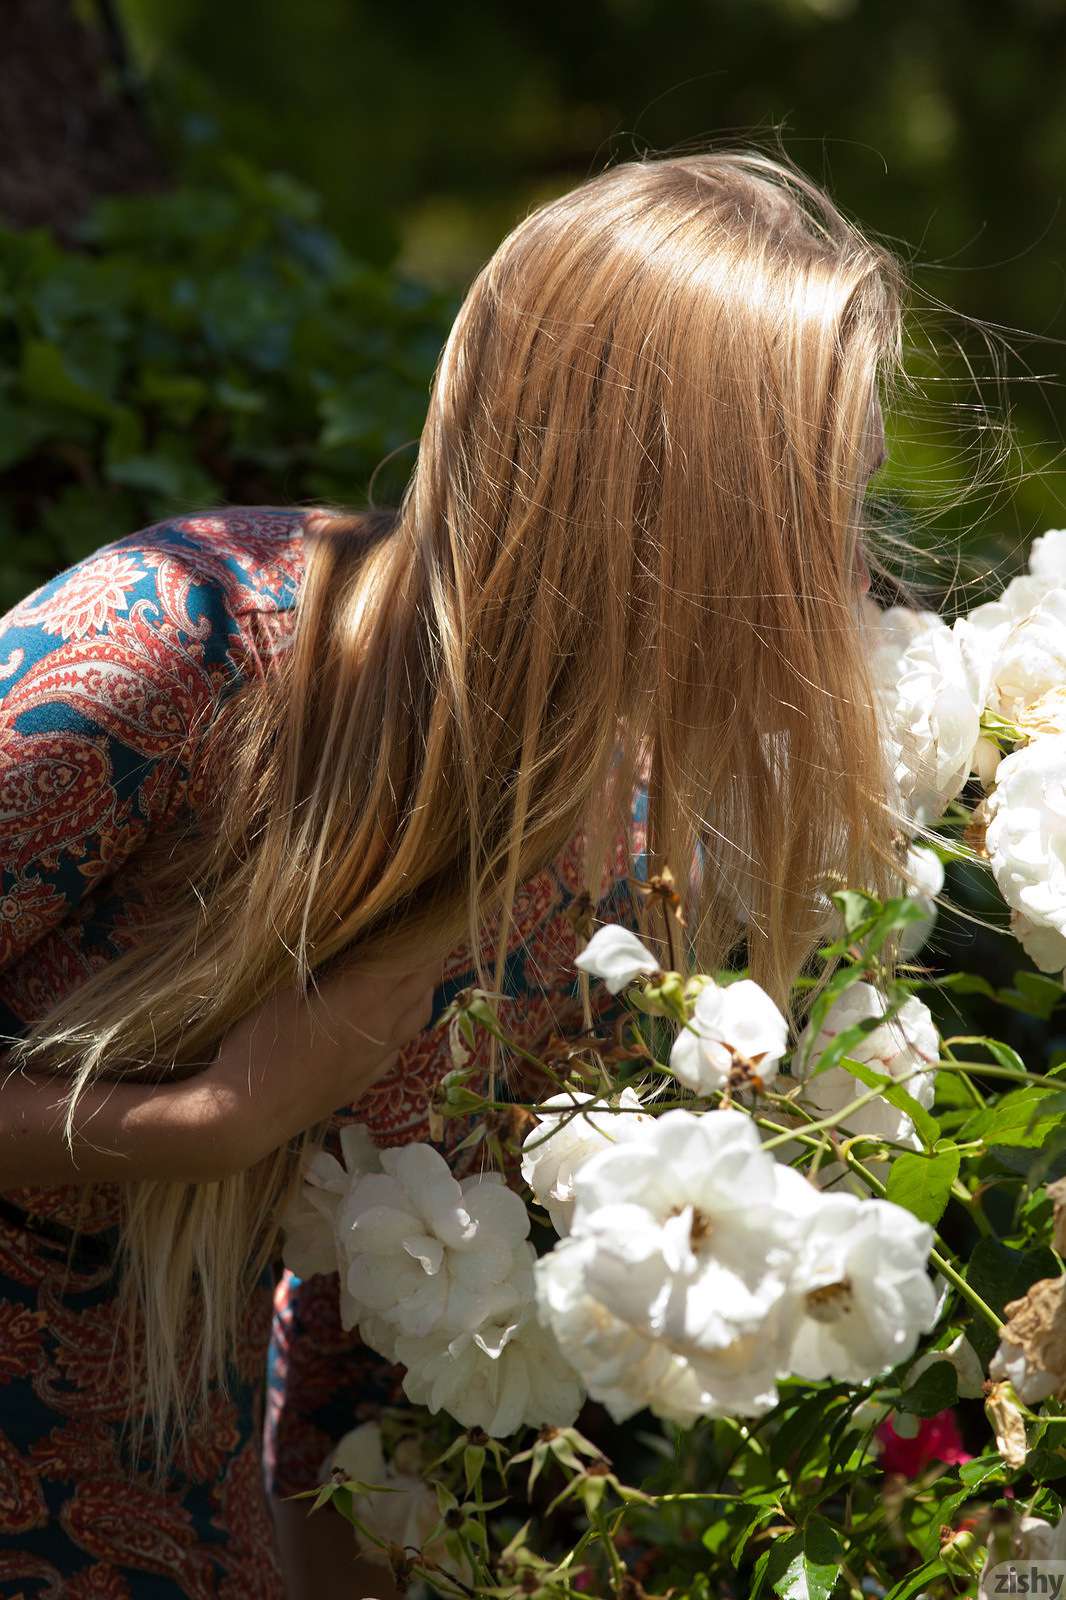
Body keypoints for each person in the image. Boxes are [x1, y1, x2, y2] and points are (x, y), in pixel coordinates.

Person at [0, 147, 899, 1597]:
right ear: (658, 506)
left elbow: (361, 1409)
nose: (854, 583)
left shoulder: (610, 870)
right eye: (818, 514)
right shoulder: (179, 641)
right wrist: (203, 1122)